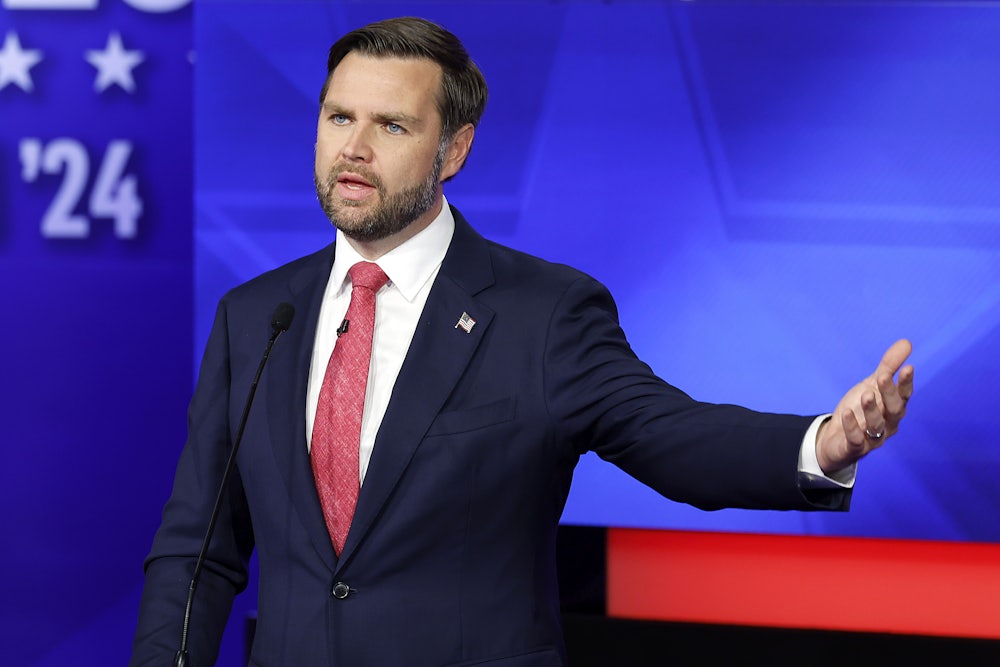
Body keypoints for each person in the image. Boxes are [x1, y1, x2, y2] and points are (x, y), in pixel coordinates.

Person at [130, 16, 914, 667]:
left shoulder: (544, 313)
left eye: (391, 125)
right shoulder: (256, 315)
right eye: (340, 118)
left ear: (455, 150)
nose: (354, 148)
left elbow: (672, 438)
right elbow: (197, 549)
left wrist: (822, 444)